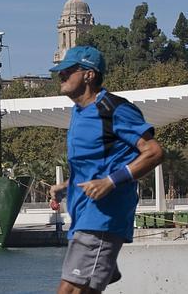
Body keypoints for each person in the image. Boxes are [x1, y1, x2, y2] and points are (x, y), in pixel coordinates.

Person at [49, 46, 164, 293]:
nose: (61, 76)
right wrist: (67, 186)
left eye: (67, 71)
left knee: (70, 290)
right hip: (82, 217)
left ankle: (105, 262)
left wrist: (110, 182)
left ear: (89, 74)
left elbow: (154, 152)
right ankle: (106, 265)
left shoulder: (114, 109)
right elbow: (98, 164)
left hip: (102, 218)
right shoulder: (78, 112)